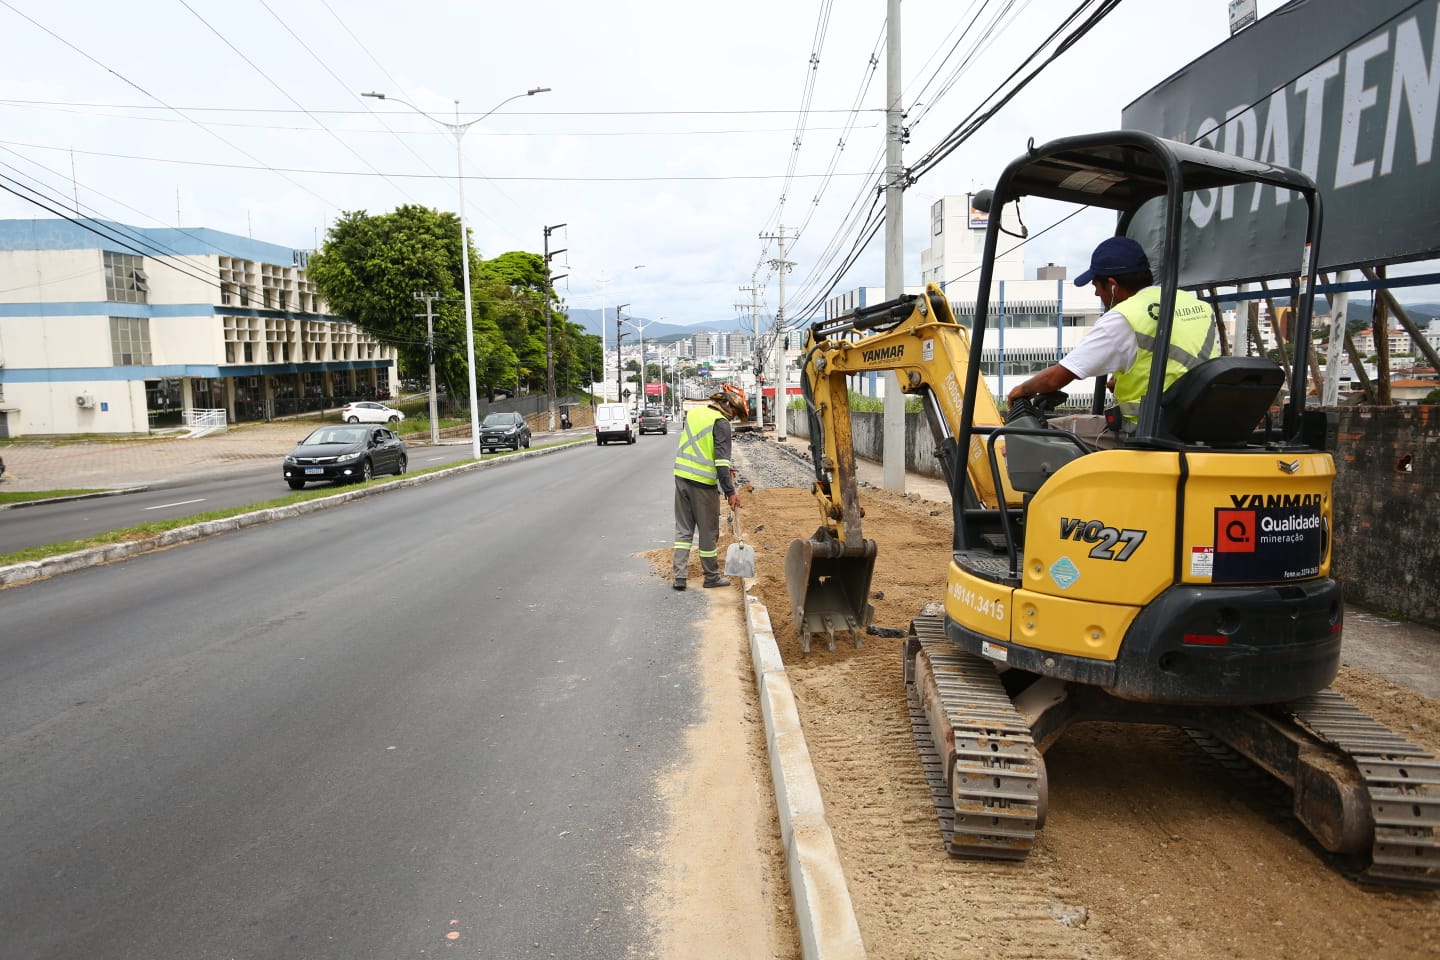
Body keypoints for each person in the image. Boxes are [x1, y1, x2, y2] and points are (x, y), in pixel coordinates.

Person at [1005, 236, 1218, 445]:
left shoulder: (1124, 317)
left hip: (1146, 433)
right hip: (1196, 427)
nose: (1097, 293)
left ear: (1113, 285)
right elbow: (1179, 363)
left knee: (1045, 434)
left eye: (1096, 286)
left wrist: (1022, 390)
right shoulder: (1193, 304)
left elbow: (1056, 379)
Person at [672, 384, 749, 591]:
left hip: (681, 478)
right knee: (708, 532)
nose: (733, 418)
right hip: (702, 485)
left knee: (683, 530)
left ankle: (679, 577)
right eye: (734, 413)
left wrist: (724, 468)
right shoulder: (720, 422)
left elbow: (701, 447)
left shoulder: (695, 414)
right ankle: (711, 577)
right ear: (727, 406)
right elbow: (721, 462)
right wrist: (730, 492)